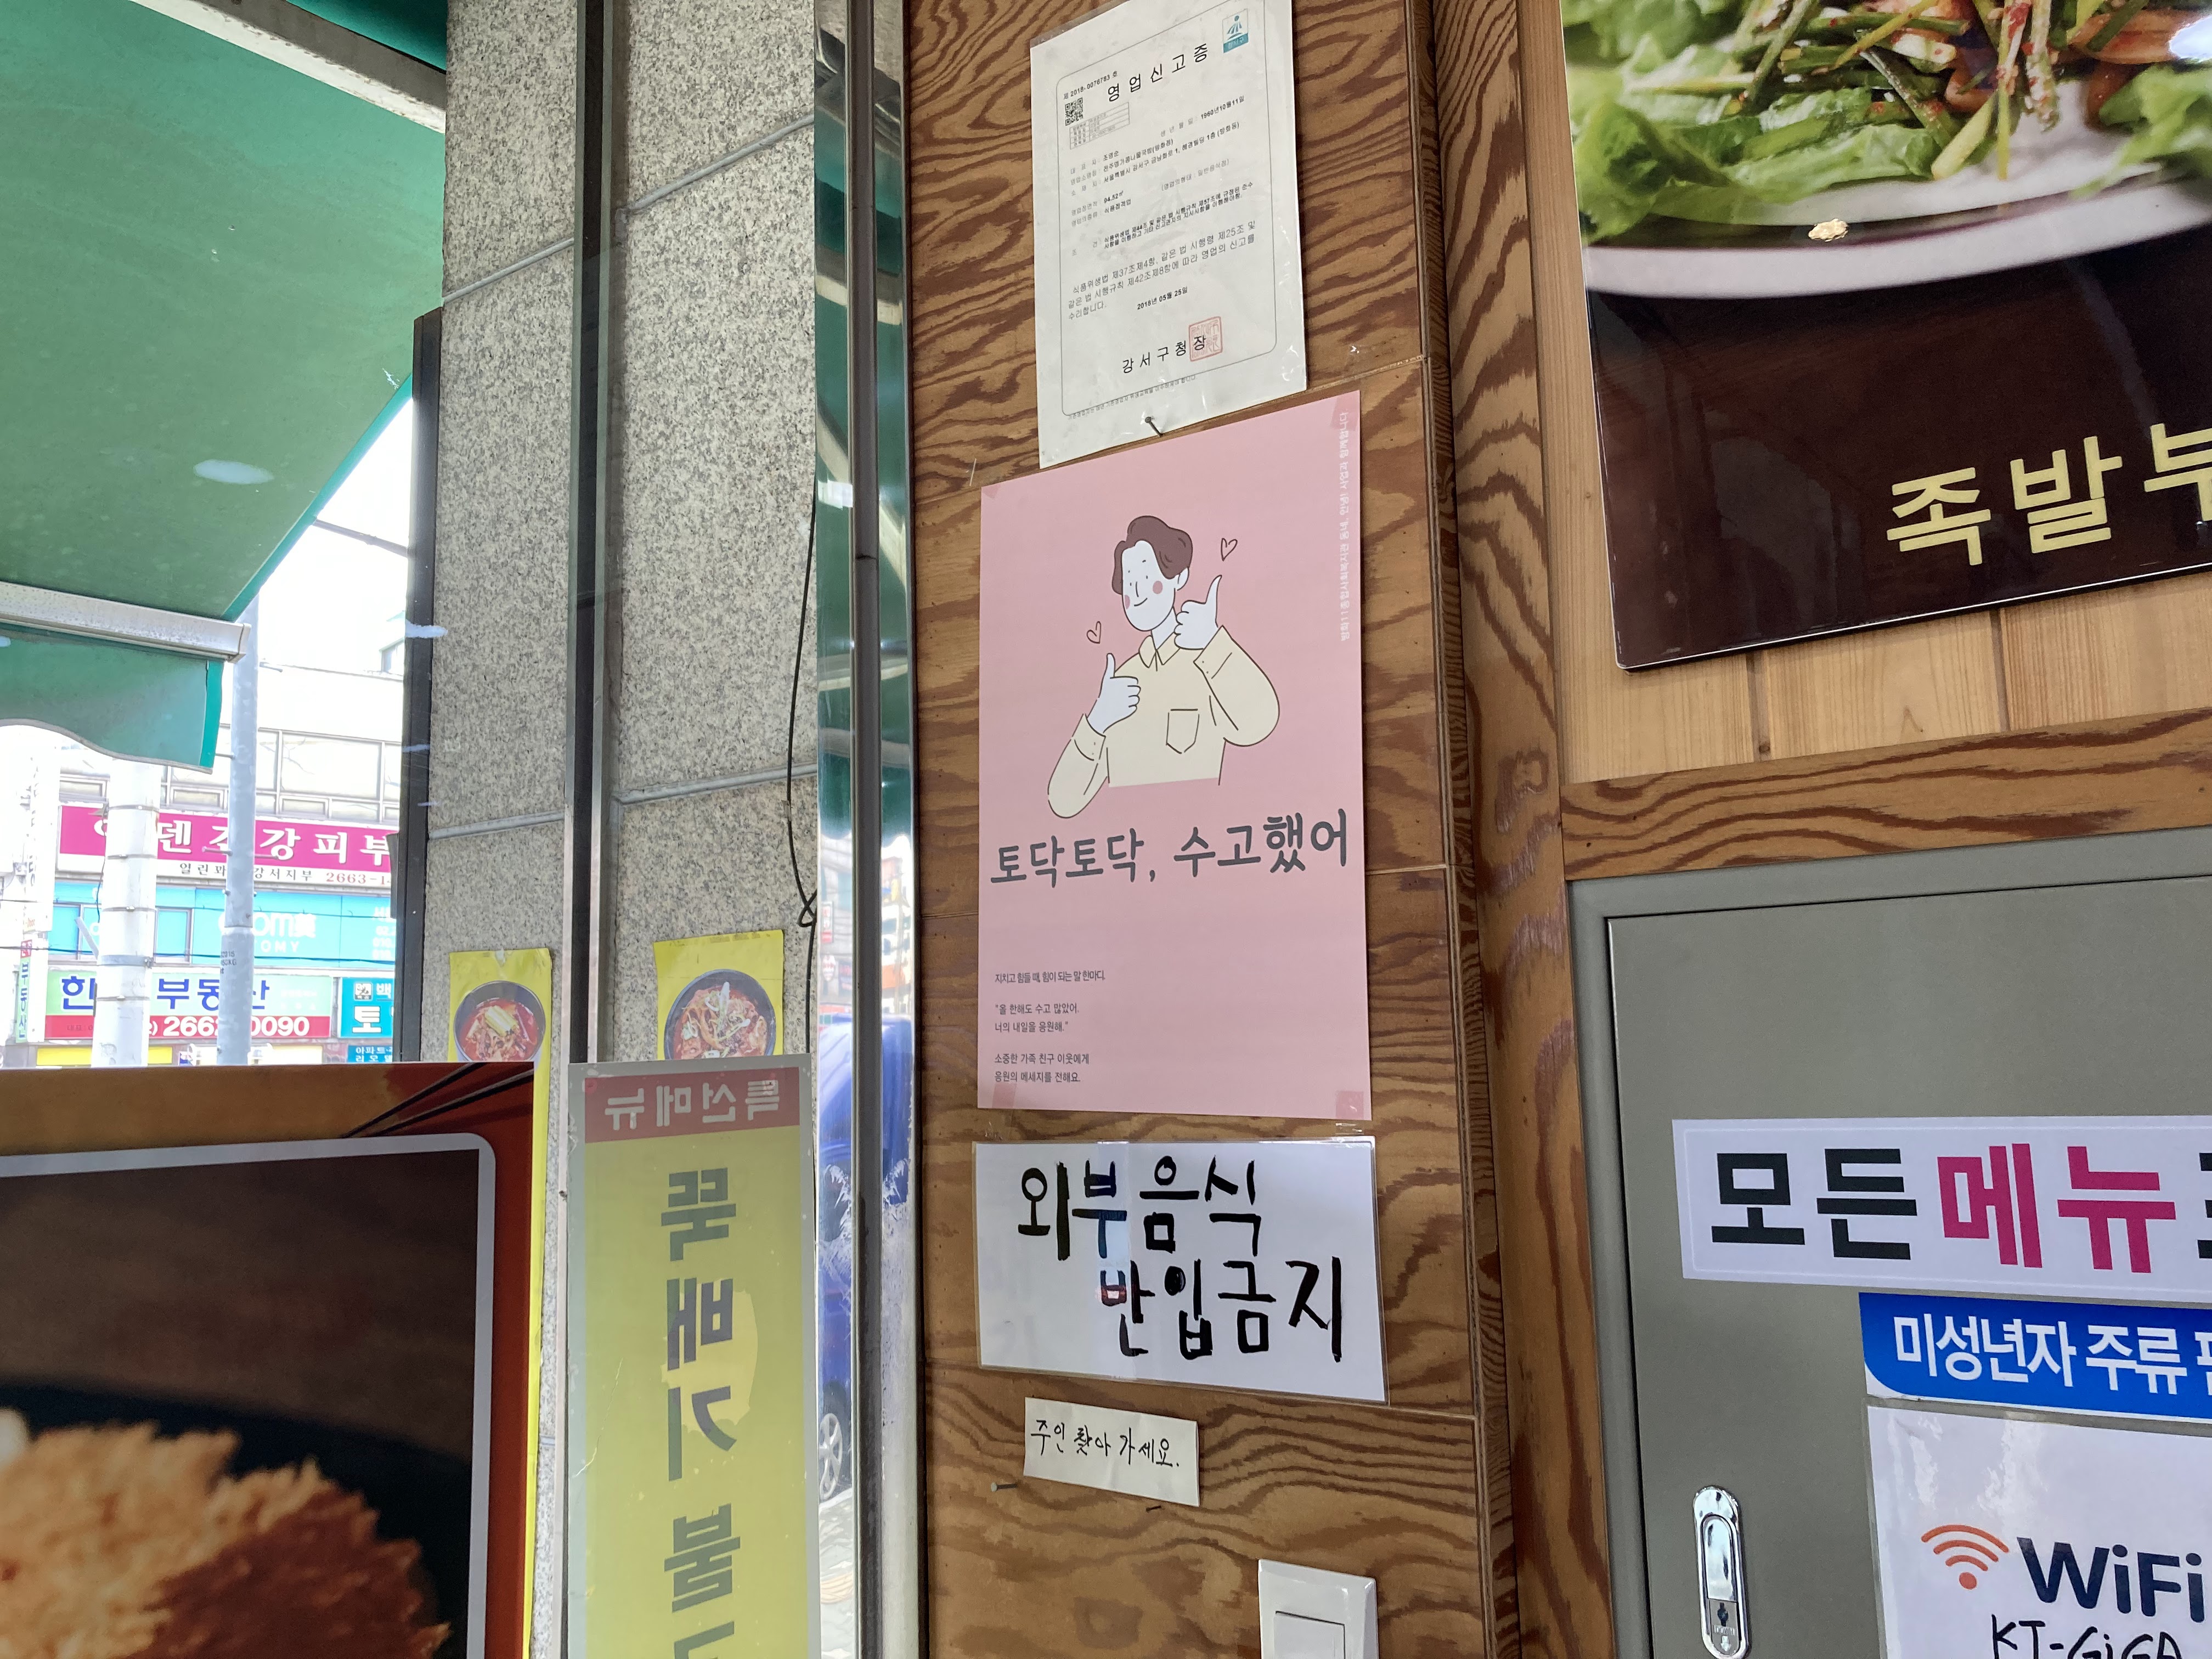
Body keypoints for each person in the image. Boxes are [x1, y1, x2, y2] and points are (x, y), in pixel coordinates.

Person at [1046, 514, 1278, 819]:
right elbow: (1063, 801)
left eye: (1145, 577)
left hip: (1204, 830)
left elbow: (1259, 724)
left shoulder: (1209, 662)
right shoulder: (1121, 685)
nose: (1137, 592)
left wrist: (1212, 643)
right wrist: (1098, 720)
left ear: (1178, 578)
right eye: (1129, 582)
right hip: (1132, 840)